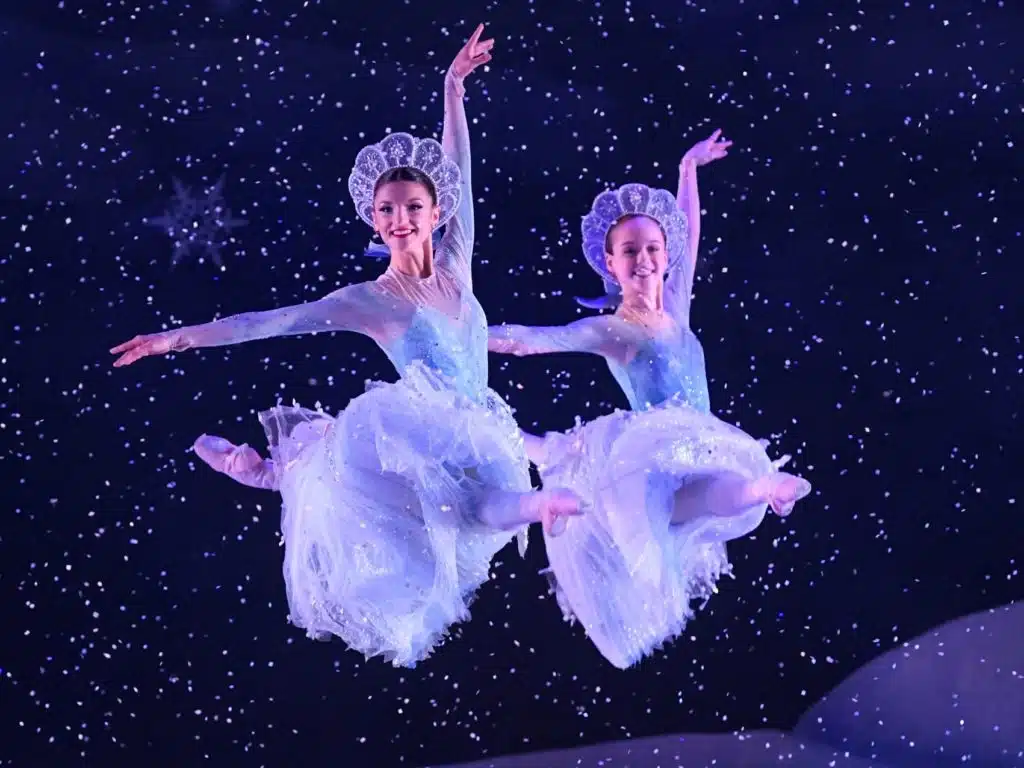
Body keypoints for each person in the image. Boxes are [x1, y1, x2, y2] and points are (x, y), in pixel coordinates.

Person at [110, 24, 581, 668]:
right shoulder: (370, 300)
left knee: (475, 516)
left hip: (481, 426)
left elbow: (462, 173)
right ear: (375, 219)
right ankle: (275, 472)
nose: (399, 219)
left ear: (433, 211)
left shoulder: (457, 265)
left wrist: (453, 88)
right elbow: (272, 321)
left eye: (412, 205)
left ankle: (532, 502)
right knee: (435, 495)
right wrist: (177, 340)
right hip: (421, 433)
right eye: (387, 210)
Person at [487, 131, 811, 669]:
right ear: (610, 265)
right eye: (629, 251)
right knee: (603, 468)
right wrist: (470, 336)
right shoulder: (615, 330)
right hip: (653, 463)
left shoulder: (676, 309)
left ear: (666, 256)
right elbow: (535, 339)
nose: (643, 259)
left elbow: (692, 231)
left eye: (653, 249)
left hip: (703, 445)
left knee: (715, 492)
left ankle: (761, 488)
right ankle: (525, 443)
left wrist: (688, 168)